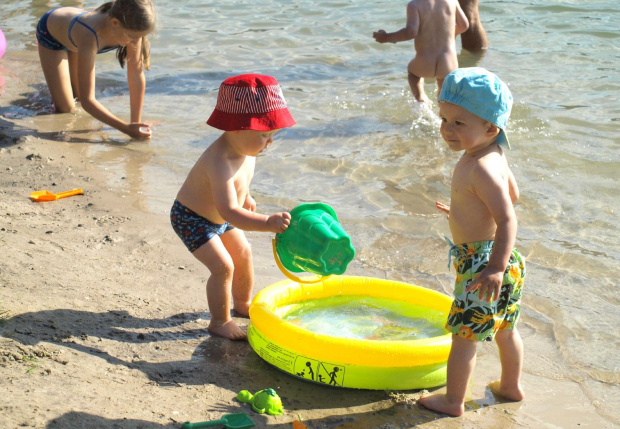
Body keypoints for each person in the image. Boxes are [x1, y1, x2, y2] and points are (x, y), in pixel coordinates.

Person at [419, 68, 525, 416]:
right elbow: (514, 196)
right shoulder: (493, 155)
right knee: (506, 329)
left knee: (464, 336)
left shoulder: (478, 166)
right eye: (444, 118)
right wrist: (463, 208)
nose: (447, 129)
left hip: (484, 266)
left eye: (459, 123)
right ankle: (510, 386)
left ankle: (453, 401)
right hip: (505, 263)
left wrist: (493, 267)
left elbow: (509, 216)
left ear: (490, 128)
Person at [170, 74, 295, 341]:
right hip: (192, 218)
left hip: (221, 215)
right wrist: (265, 222)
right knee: (223, 266)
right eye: (264, 135)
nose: (270, 142)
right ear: (237, 128)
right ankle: (219, 321)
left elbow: (241, 184)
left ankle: (243, 304)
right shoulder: (219, 161)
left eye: (273, 134)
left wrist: (246, 195)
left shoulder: (248, 150)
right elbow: (228, 211)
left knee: (244, 253)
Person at [36, 0, 155, 140]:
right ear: (115, 23)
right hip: (52, 35)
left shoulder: (133, 32)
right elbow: (89, 101)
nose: (135, 41)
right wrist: (125, 129)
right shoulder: (91, 36)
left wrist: (135, 123)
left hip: (75, 39)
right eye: (133, 37)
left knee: (78, 97)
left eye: (139, 37)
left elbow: (136, 76)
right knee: (66, 108)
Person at [373, 0, 469, 103]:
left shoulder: (414, 5)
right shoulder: (452, 1)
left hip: (425, 61)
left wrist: (387, 37)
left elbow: (411, 32)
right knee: (444, 92)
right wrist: (451, 34)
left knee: (413, 73)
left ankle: (421, 99)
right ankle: (443, 110)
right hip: (449, 62)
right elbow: (464, 25)